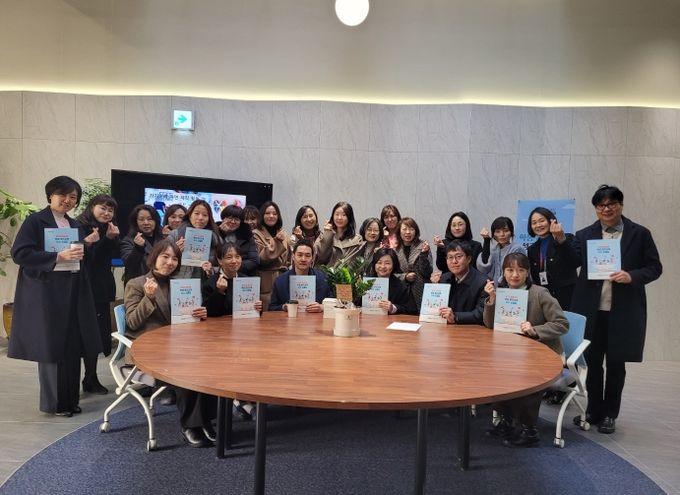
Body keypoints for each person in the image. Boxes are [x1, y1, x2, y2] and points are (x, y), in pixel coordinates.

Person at [571, 185, 662, 434]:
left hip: (623, 311)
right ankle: (593, 410)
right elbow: (571, 260)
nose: (606, 209)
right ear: (596, 209)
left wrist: (631, 276)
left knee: (616, 364)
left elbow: (655, 267)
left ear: (621, 205)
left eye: (611, 203)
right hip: (592, 310)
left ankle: (610, 414)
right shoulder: (584, 234)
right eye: (601, 205)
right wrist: (559, 241)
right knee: (592, 362)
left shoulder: (640, 234)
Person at [8, 176, 102, 417]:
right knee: (51, 348)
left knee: (72, 345)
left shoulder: (75, 224)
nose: (67, 200)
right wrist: (57, 257)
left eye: (73, 197)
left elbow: (78, 256)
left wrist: (87, 246)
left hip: (73, 291)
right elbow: (20, 253)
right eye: (63, 195)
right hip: (47, 293)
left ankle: (70, 400)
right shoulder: (35, 221)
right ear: (50, 195)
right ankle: (56, 404)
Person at [124, 239, 215, 448]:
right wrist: (148, 298)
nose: (170, 262)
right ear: (153, 257)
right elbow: (132, 322)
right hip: (148, 353)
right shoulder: (136, 284)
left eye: (175, 258)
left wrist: (199, 314)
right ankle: (190, 426)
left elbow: (183, 321)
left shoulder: (180, 285)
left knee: (210, 363)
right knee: (187, 370)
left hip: (178, 347)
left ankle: (206, 420)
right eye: (165, 256)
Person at [483, 253, 569, 447]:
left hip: (542, 354)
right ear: (503, 272)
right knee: (496, 371)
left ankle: (529, 430)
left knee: (525, 375)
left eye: (520, 270)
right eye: (510, 270)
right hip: (512, 353)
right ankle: (507, 421)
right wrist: (492, 299)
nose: (515, 275)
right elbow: (489, 324)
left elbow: (562, 324)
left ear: (527, 272)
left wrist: (535, 330)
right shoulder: (502, 293)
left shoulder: (540, 293)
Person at [76, 194, 121, 395]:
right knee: (85, 333)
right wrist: (92, 242)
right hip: (84, 288)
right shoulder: (79, 226)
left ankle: (91, 377)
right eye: (103, 208)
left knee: (97, 333)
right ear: (92, 207)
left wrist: (110, 239)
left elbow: (111, 258)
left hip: (101, 288)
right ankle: (84, 379)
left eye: (110, 210)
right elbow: (87, 261)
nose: (107, 213)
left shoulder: (108, 229)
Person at [525, 207, 580, 311]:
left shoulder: (566, 238)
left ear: (551, 221)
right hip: (545, 297)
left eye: (542, 221)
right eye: (534, 223)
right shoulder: (532, 249)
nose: (538, 225)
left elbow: (575, 262)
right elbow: (535, 276)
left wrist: (561, 240)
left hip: (567, 297)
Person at [203, 241, 263, 317]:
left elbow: (256, 312)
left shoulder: (247, 281)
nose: (234, 261)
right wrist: (219, 292)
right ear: (220, 260)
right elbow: (210, 313)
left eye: (237, 257)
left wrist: (259, 307)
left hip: (244, 322)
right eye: (229, 257)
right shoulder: (209, 283)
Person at [270, 239, 330, 312]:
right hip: (290, 318)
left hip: (315, 318)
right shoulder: (280, 281)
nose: (303, 259)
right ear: (293, 256)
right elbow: (271, 308)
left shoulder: (322, 279)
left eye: (307, 256)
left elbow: (334, 304)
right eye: (299, 255)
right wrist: (284, 307)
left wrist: (322, 307)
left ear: (312, 258)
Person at [167, 199, 222, 279]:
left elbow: (222, 266)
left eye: (205, 215)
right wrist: (175, 251)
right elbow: (161, 261)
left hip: (203, 283)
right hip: (178, 282)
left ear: (209, 218)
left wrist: (211, 270)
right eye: (196, 213)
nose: (200, 218)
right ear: (190, 215)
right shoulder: (175, 234)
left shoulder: (216, 239)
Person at [437, 241, 488, 325]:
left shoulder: (483, 282)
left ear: (468, 259)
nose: (454, 261)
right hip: (447, 328)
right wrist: (434, 287)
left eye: (458, 256)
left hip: (471, 330)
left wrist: (455, 316)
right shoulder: (444, 279)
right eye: (450, 257)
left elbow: (481, 313)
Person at [252, 201, 291, 310]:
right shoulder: (256, 234)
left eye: (274, 213)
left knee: (284, 312)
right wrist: (277, 241)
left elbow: (289, 257)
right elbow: (261, 258)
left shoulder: (283, 233)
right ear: (262, 215)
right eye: (267, 213)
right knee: (268, 311)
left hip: (283, 278)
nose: (271, 216)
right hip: (266, 280)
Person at [394, 217, 432, 310]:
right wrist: (405, 276)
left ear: (416, 231)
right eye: (404, 229)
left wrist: (423, 254)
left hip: (421, 290)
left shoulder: (423, 246)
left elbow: (427, 272)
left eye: (411, 229)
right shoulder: (395, 250)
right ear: (399, 231)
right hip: (402, 292)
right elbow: (393, 274)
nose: (408, 232)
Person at [120, 205, 164, 285]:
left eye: (150, 219)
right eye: (141, 219)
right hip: (138, 285)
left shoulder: (163, 239)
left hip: (161, 284)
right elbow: (129, 264)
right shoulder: (128, 240)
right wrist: (138, 248)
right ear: (135, 222)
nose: (146, 223)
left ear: (156, 221)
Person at [366, 247, 416, 315]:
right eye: (379, 263)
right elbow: (355, 304)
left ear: (394, 265)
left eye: (387, 263)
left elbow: (412, 309)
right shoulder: (366, 283)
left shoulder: (401, 286)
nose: (383, 266)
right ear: (374, 264)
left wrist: (393, 308)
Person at [477, 216, 526, 285]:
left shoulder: (517, 249)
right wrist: (486, 240)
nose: (502, 234)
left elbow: (516, 271)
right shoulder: (493, 249)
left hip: (511, 287)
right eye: (498, 231)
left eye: (506, 231)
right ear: (493, 234)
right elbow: (483, 269)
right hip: (492, 288)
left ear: (511, 232)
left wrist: (499, 286)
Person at [314, 201, 364, 267]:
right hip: (323, 273)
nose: (339, 218)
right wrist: (328, 234)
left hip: (345, 273)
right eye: (337, 214)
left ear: (349, 217)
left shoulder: (356, 239)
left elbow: (352, 263)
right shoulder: (324, 234)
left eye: (344, 215)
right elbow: (319, 256)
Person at [218, 205, 259, 276]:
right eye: (230, 218)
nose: (233, 221)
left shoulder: (247, 235)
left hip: (243, 276)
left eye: (236, 219)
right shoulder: (215, 233)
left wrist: (233, 267)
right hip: (219, 275)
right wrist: (221, 233)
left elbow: (254, 260)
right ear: (223, 219)